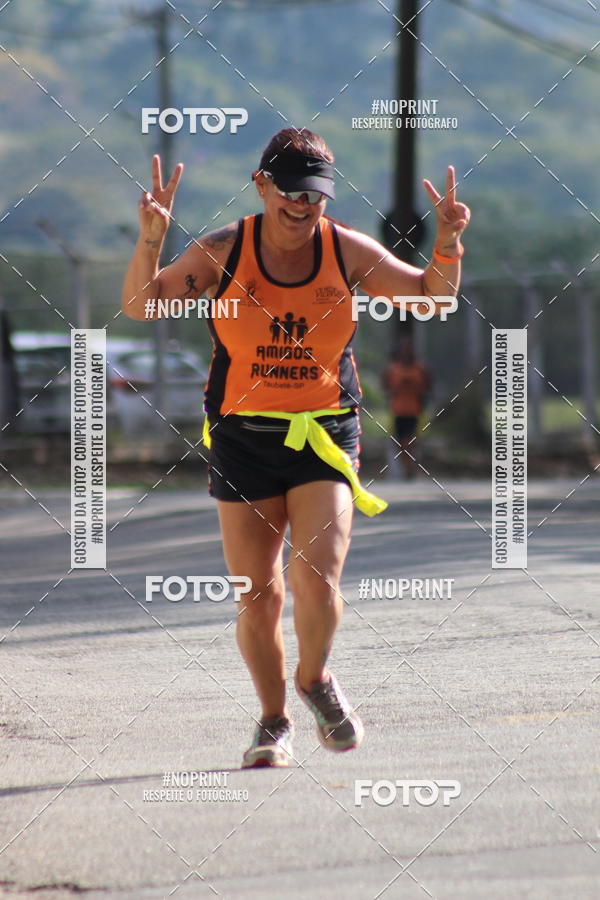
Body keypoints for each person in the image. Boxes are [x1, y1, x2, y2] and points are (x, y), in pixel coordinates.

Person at [121, 128, 470, 767]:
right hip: (242, 436)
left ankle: (315, 679)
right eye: (290, 193)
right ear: (261, 186)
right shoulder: (226, 250)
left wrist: (447, 243)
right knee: (259, 595)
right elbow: (143, 304)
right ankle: (274, 720)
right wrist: (153, 234)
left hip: (323, 431)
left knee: (317, 579)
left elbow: (433, 295)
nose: (303, 206)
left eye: (315, 195)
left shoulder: (346, 251)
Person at [382, 337, 432, 479]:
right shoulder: (393, 369)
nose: (406, 352)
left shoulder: (420, 369)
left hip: (415, 412)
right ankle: (407, 468)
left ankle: (410, 469)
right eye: (404, 350)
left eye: (409, 349)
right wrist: (393, 391)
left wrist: (421, 396)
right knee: (400, 444)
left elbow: (428, 387)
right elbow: (385, 386)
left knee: (409, 442)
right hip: (397, 412)